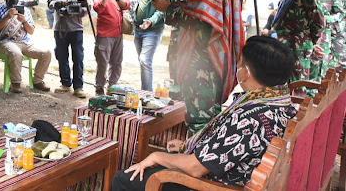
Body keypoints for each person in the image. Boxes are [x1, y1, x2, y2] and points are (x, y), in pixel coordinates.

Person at [112, 36, 297, 190]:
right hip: (235, 173)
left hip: (214, 184)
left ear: (245, 73)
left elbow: (195, 168)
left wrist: (156, 157)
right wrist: (189, 146)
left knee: (123, 179)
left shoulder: (249, 118)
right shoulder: (280, 103)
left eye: (239, 65)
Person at [152, 0, 244, 134]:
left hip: (203, 60)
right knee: (212, 115)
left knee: (199, 120)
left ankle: (197, 161)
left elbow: (200, 21)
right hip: (220, 54)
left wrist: (168, 8)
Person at [261, 0, 325, 87]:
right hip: (285, 44)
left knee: (296, 86)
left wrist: (308, 42)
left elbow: (318, 22)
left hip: (298, 47)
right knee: (282, 85)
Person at [0, 0, 51, 93]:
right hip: (5, 42)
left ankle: (38, 81)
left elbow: (31, 31)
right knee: (16, 53)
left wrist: (24, 21)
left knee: (46, 53)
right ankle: (16, 82)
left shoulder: (25, 10)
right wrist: (7, 17)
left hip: (24, 42)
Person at [48, 0, 88, 98]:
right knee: (61, 55)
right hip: (60, 28)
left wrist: (77, 12)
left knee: (78, 57)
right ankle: (65, 83)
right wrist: (60, 2)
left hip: (76, 28)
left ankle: (78, 87)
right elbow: (50, 4)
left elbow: (87, 8)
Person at [167, 0, 204, 89]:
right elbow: (170, 10)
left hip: (197, 41)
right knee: (175, 78)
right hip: (177, 37)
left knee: (194, 81)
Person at [132, 0, 170, 91]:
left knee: (144, 60)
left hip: (152, 31)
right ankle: (145, 90)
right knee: (142, 62)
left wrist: (151, 21)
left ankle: (147, 93)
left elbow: (162, 11)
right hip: (138, 29)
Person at [92, 0, 131, 95]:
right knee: (102, 63)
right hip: (104, 35)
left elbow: (127, 5)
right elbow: (98, 8)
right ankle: (99, 88)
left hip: (118, 34)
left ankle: (112, 86)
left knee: (117, 62)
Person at [308, 0, 345, 77]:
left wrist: (325, 19)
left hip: (323, 36)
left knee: (321, 66)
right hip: (306, 34)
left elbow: (340, 14)